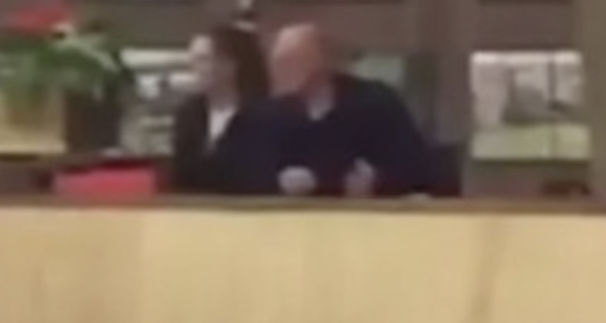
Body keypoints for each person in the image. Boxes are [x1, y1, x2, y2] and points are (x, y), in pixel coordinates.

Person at [264, 23, 433, 198]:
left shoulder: (376, 103)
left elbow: (415, 169)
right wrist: (277, 184)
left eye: (290, 62)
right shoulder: (262, 117)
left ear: (320, 63)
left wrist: (377, 180)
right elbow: (244, 177)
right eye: (277, 63)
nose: (280, 72)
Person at [166, 20, 275, 195]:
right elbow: (179, 177)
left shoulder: (265, 117)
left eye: (203, 60)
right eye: (193, 60)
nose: (194, 68)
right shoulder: (189, 114)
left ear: (230, 65)